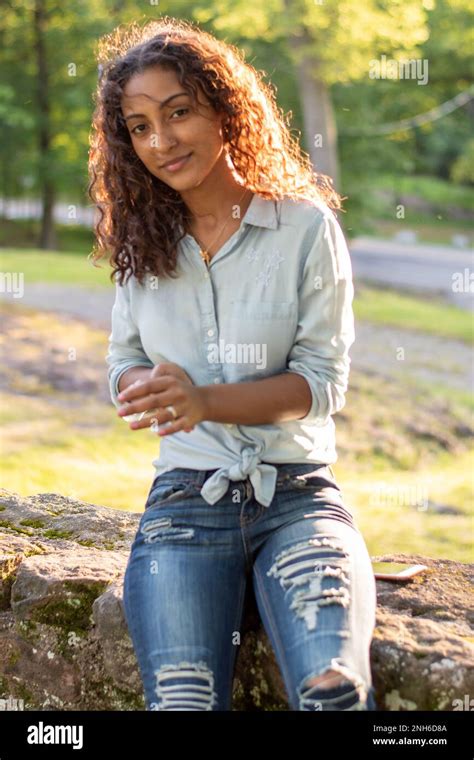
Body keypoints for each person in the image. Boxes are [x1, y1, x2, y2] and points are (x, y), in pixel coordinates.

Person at [88, 17, 377, 712]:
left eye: (178, 113)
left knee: (333, 690)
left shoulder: (305, 229)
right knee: (183, 701)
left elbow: (321, 384)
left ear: (224, 108)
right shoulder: (141, 242)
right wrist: (141, 387)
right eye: (139, 126)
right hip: (185, 503)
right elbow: (123, 359)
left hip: (298, 498)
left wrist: (204, 400)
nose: (161, 141)